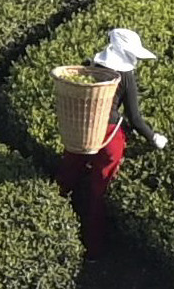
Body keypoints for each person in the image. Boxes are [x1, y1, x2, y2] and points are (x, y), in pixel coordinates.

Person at [64, 24, 168, 250]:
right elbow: (135, 118)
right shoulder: (125, 75)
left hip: (80, 128)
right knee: (99, 189)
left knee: (67, 175)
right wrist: (154, 137)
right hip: (108, 135)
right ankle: (93, 246)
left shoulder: (93, 66)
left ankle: (59, 220)